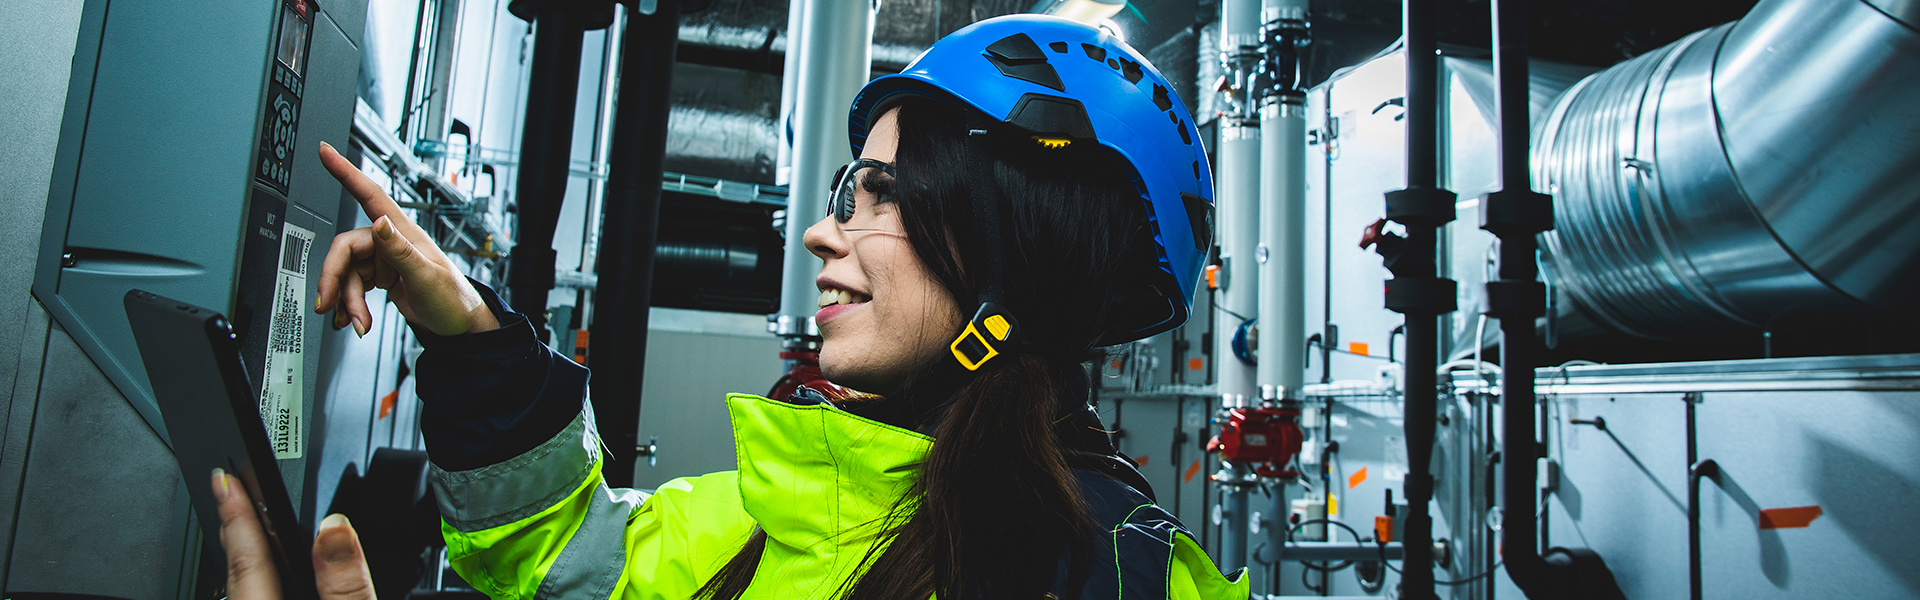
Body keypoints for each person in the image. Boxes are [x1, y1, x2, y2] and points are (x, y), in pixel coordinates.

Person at [215, 14, 1247, 600]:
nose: (823, 234)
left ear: (1015, 255)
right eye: (845, 193)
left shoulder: (1118, 576)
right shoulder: (783, 507)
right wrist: (468, 334)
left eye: (880, 196)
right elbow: (568, 555)